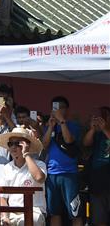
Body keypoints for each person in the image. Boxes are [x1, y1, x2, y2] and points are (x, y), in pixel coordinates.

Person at [42, 95, 82, 226]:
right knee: (54, 212)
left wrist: (62, 121)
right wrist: (50, 127)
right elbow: (44, 145)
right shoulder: (49, 125)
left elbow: (69, 140)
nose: (57, 110)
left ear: (66, 109)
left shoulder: (73, 125)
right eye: (55, 108)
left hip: (69, 174)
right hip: (52, 174)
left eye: (60, 107)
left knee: (75, 212)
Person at [0, 126, 47, 226]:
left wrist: (26, 154)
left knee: (31, 221)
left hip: (33, 211)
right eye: (11, 144)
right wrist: (5, 217)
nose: (13, 147)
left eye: (18, 143)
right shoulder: (6, 168)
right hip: (10, 212)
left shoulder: (40, 164)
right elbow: (3, 198)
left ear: (26, 145)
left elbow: (39, 178)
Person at [83, 106, 110, 226]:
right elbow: (86, 143)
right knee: (99, 218)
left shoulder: (105, 131)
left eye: (104, 117)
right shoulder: (96, 134)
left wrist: (105, 129)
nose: (101, 120)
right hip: (98, 181)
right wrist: (93, 129)